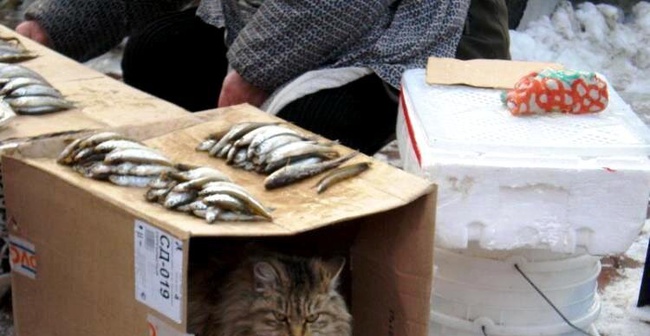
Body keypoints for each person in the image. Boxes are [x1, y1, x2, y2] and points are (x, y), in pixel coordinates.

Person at [16, 0, 509, 156]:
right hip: (268, 16)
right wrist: (60, 24)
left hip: (395, 32)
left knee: (301, 126)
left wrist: (256, 68)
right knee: (160, 55)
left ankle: (294, 264)